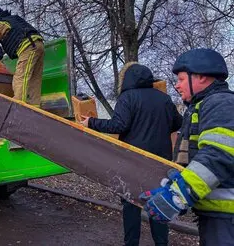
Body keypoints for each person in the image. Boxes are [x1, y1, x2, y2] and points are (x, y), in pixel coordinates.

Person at [81, 62, 183, 246]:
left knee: (131, 205)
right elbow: (177, 123)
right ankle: (161, 243)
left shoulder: (127, 98)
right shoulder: (164, 99)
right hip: (160, 161)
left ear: (127, 79)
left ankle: (131, 243)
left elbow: (119, 125)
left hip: (133, 161)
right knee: (158, 205)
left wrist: (92, 122)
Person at [140, 49, 234, 245]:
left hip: (227, 220)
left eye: (181, 79)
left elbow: (219, 156)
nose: (177, 85)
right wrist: (175, 187)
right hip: (219, 215)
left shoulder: (221, 103)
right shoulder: (205, 105)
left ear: (201, 77)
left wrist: (178, 195)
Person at [0, 7, 44, 106]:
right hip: (38, 44)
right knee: (34, 79)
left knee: (20, 78)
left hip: (28, 47)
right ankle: (35, 107)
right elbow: (16, 36)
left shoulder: (0, 24)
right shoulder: (13, 19)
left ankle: (18, 107)